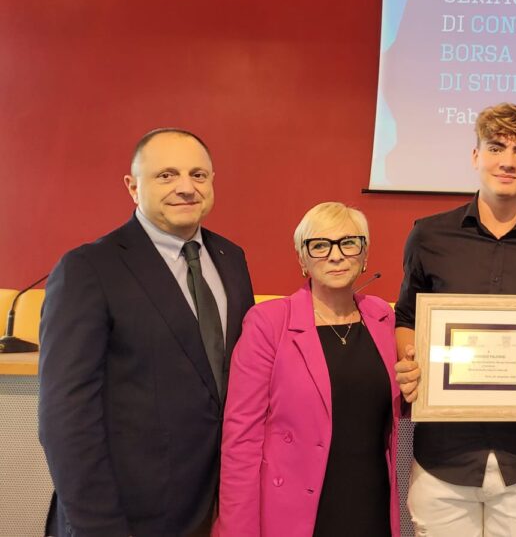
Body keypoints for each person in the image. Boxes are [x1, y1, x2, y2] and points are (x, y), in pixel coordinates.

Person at [38, 128, 255, 536]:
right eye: (166, 175)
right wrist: (99, 526)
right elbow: (65, 417)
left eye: (199, 175)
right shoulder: (89, 268)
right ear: (132, 186)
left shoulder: (232, 259)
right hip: (120, 515)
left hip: (213, 508)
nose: (186, 188)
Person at [393, 103, 516, 536]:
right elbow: (407, 317)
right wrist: (410, 364)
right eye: (496, 147)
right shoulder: (428, 236)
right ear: (475, 155)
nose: (507, 160)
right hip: (442, 457)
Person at [217, 202, 401, 536]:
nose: (336, 255)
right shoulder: (269, 322)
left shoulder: (382, 318)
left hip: (371, 502)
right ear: (302, 259)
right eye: (319, 245)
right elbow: (241, 437)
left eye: (349, 242)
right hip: (295, 509)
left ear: (364, 253)